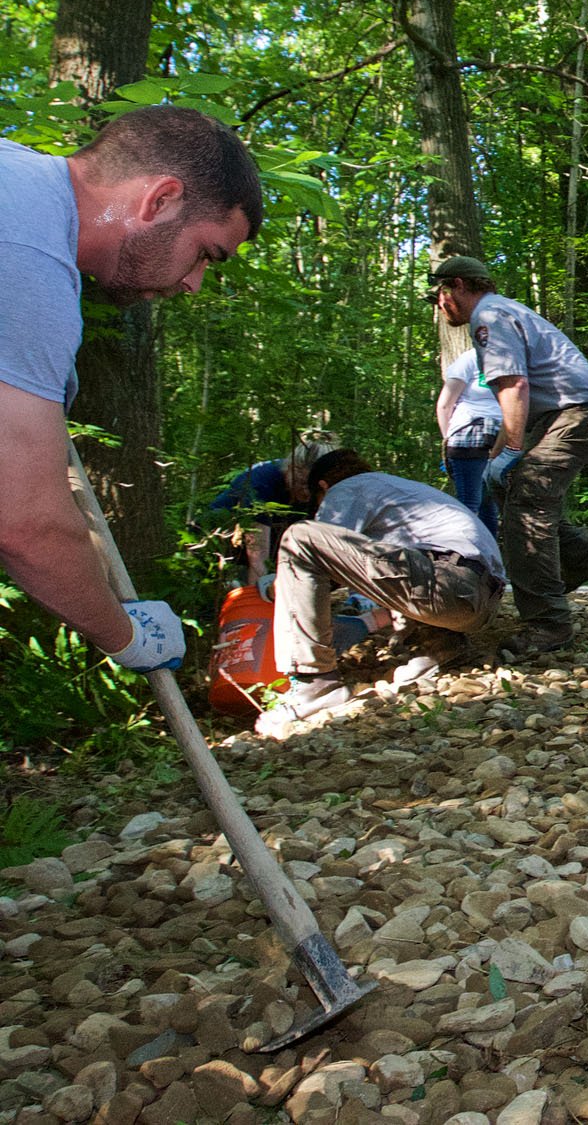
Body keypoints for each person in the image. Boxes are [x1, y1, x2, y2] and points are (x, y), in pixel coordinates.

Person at [0, 104, 263, 679]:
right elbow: (25, 523)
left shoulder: (16, 186)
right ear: (160, 199)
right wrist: (125, 635)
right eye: (205, 253)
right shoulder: (29, 259)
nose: (194, 284)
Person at [426, 255, 588, 662]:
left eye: (437, 297)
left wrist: (511, 451)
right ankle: (581, 561)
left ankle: (548, 625)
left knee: (528, 502)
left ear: (455, 286)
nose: (438, 308)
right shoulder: (503, 311)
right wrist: (500, 458)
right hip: (571, 413)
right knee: (511, 488)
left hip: (578, 413)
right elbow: (512, 399)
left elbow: (514, 386)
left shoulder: (489, 318)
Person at [255, 449, 505, 736]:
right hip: (479, 600)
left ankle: (315, 684)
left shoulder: (347, 488)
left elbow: (318, 556)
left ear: (323, 486)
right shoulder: (395, 489)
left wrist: (276, 581)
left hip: (448, 586)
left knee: (300, 538)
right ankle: (441, 643)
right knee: (400, 555)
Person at [207, 431, 342, 582]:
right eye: (303, 483)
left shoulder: (323, 490)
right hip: (220, 549)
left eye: (314, 487)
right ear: (292, 468)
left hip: (273, 549)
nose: (307, 493)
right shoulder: (261, 483)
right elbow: (258, 558)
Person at [437, 345, 502, 535]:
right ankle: (464, 555)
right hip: (470, 435)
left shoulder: (510, 359)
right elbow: (444, 405)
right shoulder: (469, 360)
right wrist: (447, 441)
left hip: (502, 437)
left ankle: (489, 558)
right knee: (470, 503)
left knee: (489, 505)